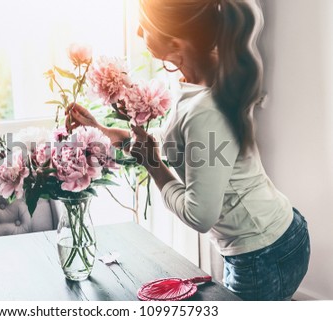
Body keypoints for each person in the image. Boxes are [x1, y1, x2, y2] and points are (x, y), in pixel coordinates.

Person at [67, 0, 310, 301]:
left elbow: (199, 214)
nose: (139, 31)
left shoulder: (206, 109)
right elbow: (182, 144)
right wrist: (102, 131)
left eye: (146, 26)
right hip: (275, 238)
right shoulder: (200, 78)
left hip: (264, 253)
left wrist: (153, 165)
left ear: (175, 43)